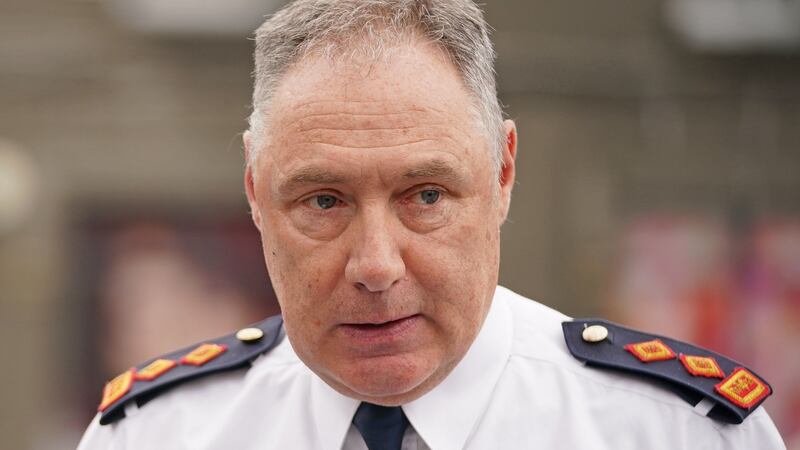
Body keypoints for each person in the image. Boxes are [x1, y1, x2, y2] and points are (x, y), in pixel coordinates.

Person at [77, 1, 786, 448]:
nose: (376, 265)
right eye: (323, 201)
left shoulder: (676, 433)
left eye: (425, 197)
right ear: (254, 193)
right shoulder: (155, 434)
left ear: (504, 173)